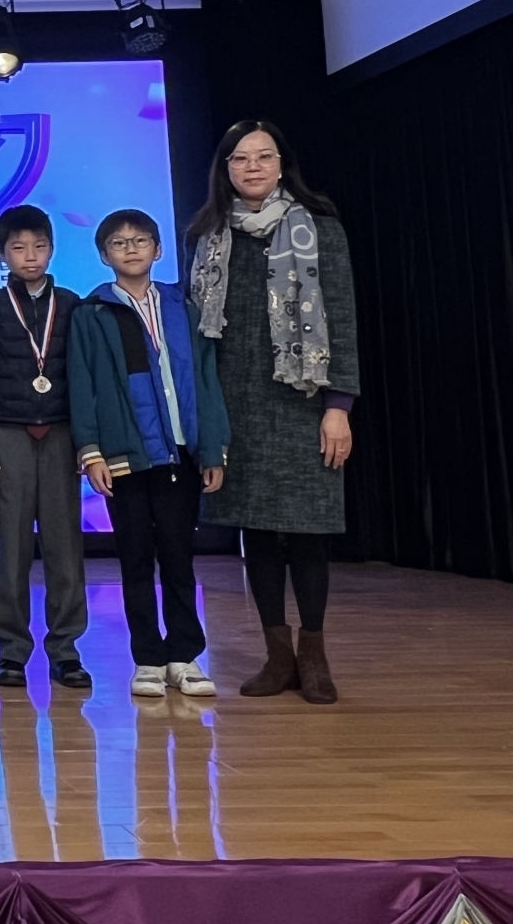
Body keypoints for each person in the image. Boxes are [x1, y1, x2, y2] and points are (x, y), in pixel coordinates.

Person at [187, 120, 358, 705]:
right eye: (240, 159)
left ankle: (314, 655)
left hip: (305, 402)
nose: (252, 167)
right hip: (236, 404)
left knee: (309, 534)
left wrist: (339, 407)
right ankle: (277, 655)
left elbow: (342, 319)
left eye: (263, 157)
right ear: (225, 169)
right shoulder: (207, 235)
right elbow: (198, 335)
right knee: (256, 532)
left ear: (282, 164)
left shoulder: (321, 229)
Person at [69, 209, 230, 700]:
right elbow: (82, 384)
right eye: (119, 243)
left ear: (158, 249)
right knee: (135, 558)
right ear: (104, 256)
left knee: (179, 556)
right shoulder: (93, 314)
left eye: (140, 240)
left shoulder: (184, 308)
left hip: (180, 452)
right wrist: (91, 452)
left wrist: (213, 447)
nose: (131, 249)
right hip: (125, 456)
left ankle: (185, 655)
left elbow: (206, 378)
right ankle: (147, 659)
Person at [0, 204, 89, 688]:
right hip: (9, 433)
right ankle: (12, 651)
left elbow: (84, 377)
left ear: (52, 249)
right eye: (18, 248)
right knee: (13, 547)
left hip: (62, 433)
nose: (30, 256)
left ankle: (66, 650)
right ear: (2, 254)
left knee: (65, 546)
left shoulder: (74, 305)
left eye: (39, 246)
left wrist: (88, 442)